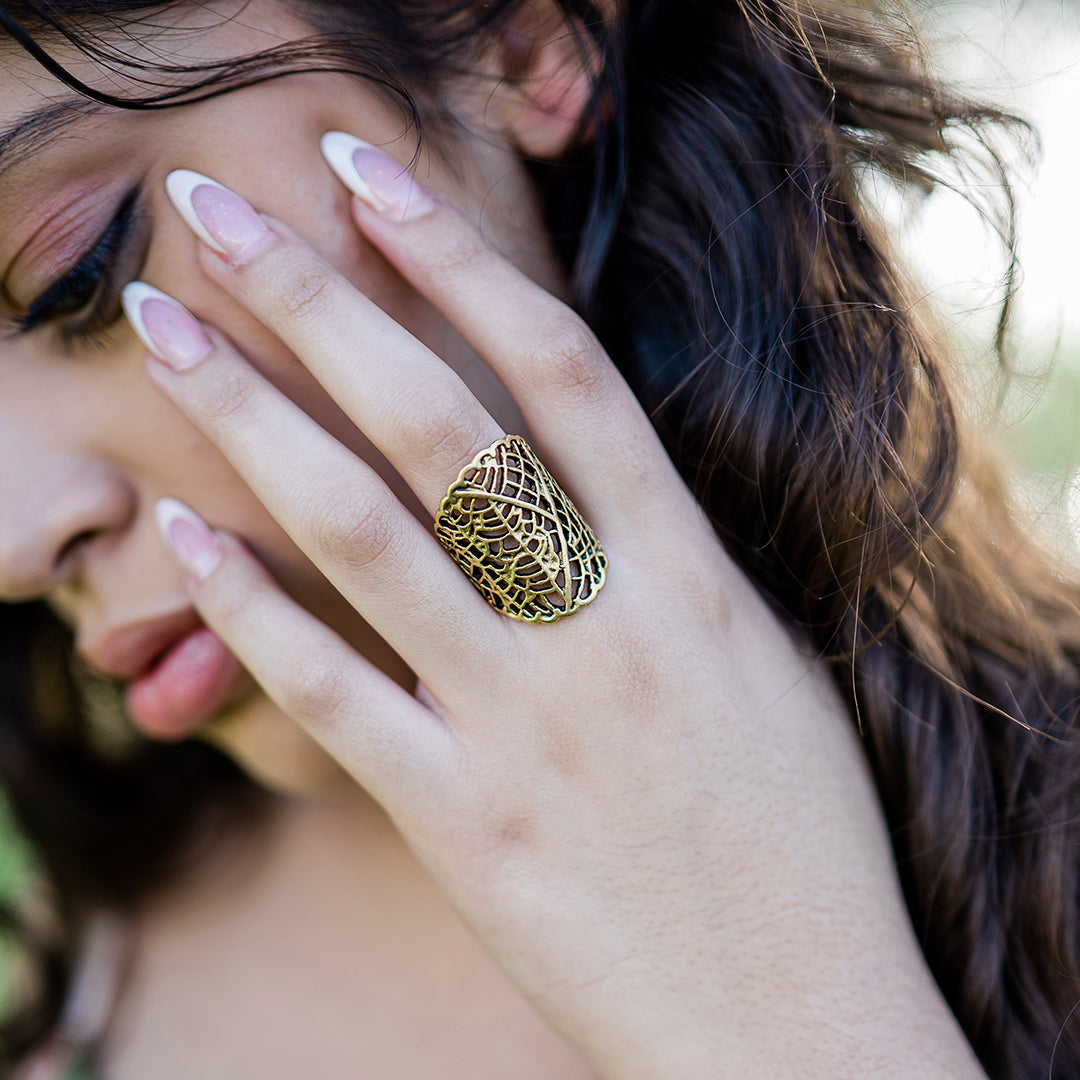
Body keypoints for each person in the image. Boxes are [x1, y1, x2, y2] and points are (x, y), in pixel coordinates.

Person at [0, 0, 1077, 1076]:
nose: (11, 548)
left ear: (519, 40)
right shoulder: (86, 976)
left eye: (76, 274)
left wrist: (800, 1016)